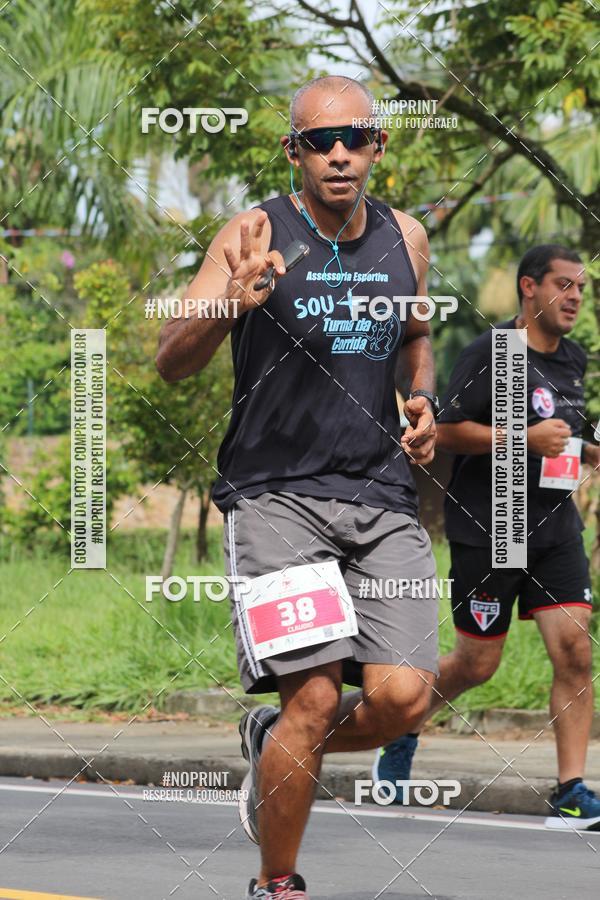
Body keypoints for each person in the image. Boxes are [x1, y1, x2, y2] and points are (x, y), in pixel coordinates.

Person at [156, 74, 440, 898]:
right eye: (320, 141)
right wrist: (230, 305)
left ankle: (270, 740)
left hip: (383, 497)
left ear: (379, 145)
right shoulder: (251, 231)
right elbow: (171, 362)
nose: (339, 154)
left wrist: (418, 400)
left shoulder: (407, 237)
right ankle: (277, 881)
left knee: (406, 699)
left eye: (355, 137)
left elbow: (415, 338)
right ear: (295, 152)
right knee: (314, 697)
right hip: (276, 495)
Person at [375, 245, 600, 831]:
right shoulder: (494, 351)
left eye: (581, 287)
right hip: (493, 523)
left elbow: (565, 435)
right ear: (530, 288)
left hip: (554, 526)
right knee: (478, 664)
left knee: (576, 653)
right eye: (564, 284)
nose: (576, 296)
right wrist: (520, 438)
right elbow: (443, 430)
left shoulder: (573, 359)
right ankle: (400, 730)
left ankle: (572, 792)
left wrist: (585, 450)